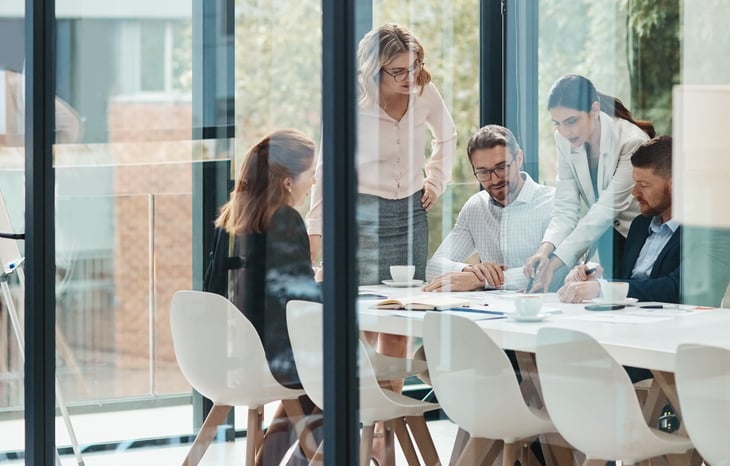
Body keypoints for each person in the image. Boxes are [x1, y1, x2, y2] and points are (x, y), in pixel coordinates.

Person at [306, 23, 457, 386]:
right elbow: (327, 171)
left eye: (415, 66)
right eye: (399, 71)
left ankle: (383, 430)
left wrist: (435, 182)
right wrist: (317, 235)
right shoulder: (351, 102)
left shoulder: (425, 91)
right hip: (361, 219)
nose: (410, 76)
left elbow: (447, 137)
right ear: (374, 70)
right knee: (363, 322)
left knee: (401, 320)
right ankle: (365, 419)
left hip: (410, 216)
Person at [215, 129, 322, 466]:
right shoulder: (285, 219)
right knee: (346, 375)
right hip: (275, 355)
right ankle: (308, 459)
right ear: (288, 182)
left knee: (314, 383)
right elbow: (302, 306)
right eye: (311, 174)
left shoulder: (236, 219)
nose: (315, 181)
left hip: (238, 351)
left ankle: (280, 462)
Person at [524, 74, 655, 292]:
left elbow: (604, 211)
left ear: (594, 110)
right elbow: (565, 208)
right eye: (558, 124)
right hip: (605, 238)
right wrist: (544, 251)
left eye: (571, 121)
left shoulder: (631, 140)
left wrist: (555, 263)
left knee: (631, 301)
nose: (565, 132)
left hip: (639, 236)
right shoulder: (563, 140)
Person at [424, 124, 554, 292]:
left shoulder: (552, 203)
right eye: (483, 172)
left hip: (545, 310)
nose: (494, 180)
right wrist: (470, 271)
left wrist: (482, 280)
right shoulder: (476, 207)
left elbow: (553, 271)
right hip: (489, 311)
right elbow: (433, 266)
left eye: (501, 168)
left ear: (519, 158)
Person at [557, 136, 679, 303]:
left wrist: (603, 288)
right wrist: (596, 276)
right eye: (635, 183)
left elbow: (675, 288)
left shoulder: (705, 233)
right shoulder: (640, 225)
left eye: (643, 185)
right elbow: (626, 281)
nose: (634, 192)